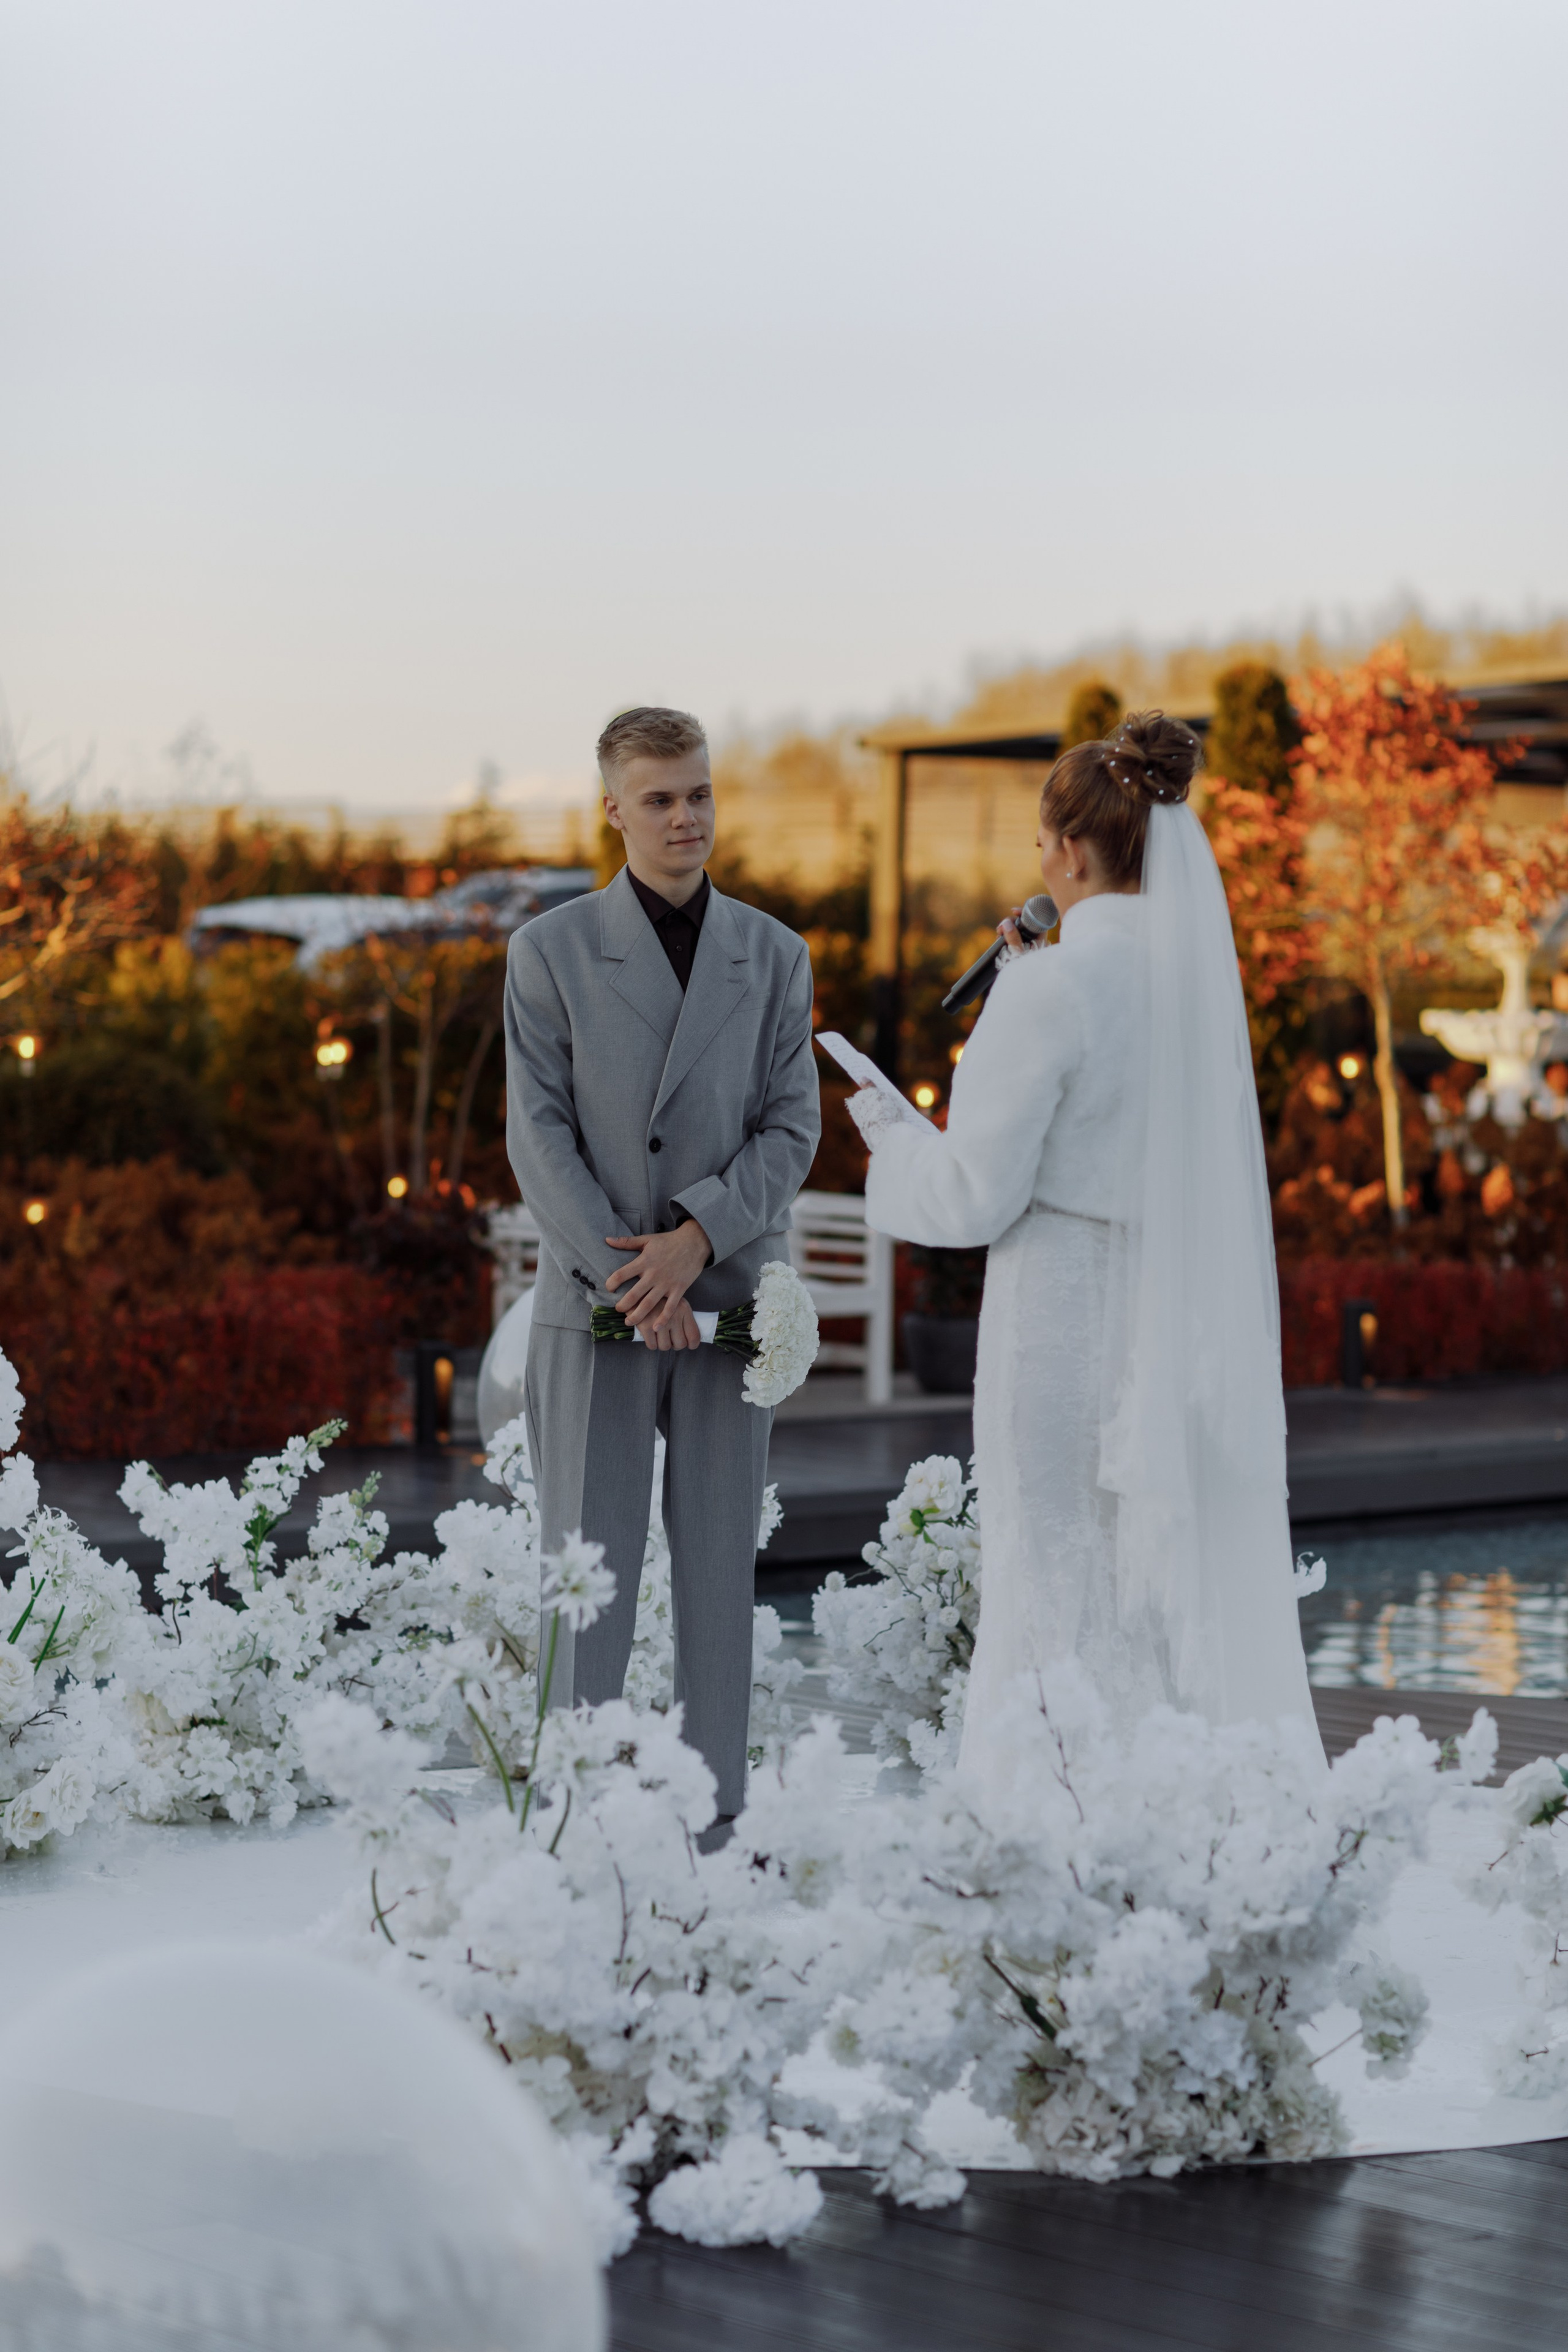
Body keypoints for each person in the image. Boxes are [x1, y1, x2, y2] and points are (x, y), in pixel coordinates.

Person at [849, 712, 1319, 1792]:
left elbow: (972, 1197)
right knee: (1152, 1587)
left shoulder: (1051, 988)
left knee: (1051, 1583)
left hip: (1061, 1314)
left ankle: (1051, 1820)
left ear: (1067, 851)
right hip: (1175, 1321)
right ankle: (1174, 1813)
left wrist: (891, 1142)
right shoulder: (1198, 991)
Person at [504, 706, 819, 1843]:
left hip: (730, 1302)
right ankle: (571, 1816)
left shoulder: (776, 954)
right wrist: (638, 1278)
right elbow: (537, 1139)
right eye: (659, 799)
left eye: (698, 794)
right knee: (585, 1572)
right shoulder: (547, 953)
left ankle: (717, 1816)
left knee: (718, 1576)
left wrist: (697, 1241)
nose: (686, 818)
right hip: (599, 1305)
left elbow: (793, 1130)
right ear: (613, 809)